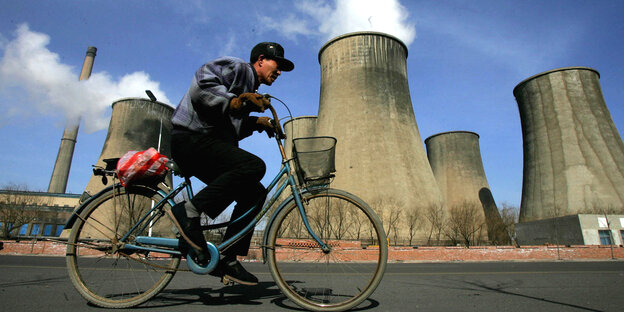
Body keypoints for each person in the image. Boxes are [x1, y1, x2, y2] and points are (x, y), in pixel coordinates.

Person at [169, 42, 294, 285]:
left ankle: (228, 258)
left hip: (206, 145)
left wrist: (256, 123)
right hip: (189, 139)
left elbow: (229, 127)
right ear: (260, 60)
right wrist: (237, 101)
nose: (279, 73)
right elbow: (202, 85)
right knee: (254, 166)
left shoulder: (250, 89)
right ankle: (188, 212)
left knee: (255, 193)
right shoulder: (238, 68)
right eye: (277, 66)